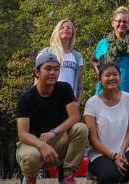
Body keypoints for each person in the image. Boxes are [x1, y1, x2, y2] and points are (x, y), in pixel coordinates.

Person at [16, 52, 88, 184]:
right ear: (37, 72)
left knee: (81, 128)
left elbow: (75, 117)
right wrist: (42, 145)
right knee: (32, 156)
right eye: (48, 69)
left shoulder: (64, 89)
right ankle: (30, 179)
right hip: (32, 145)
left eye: (56, 69)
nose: (52, 73)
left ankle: (68, 178)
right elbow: (23, 134)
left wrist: (53, 132)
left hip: (56, 143)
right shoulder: (25, 99)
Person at [36, 20, 86, 183]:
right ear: (57, 31)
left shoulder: (77, 56)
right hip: (47, 102)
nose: (66, 30)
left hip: (68, 104)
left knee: (66, 139)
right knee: (41, 135)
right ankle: (30, 174)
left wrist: (77, 102)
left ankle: (64, 177)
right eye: (63, 28)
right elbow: (37, 79)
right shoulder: (47, 52)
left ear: (73, 33)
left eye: (69, 28)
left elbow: (79, 83)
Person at [84, 63, 129, 184]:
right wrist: (114, 157)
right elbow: (93, 139)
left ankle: (122, 181)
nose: (112, 78)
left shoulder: (128, 98)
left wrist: (122, 151)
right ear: (99, 79)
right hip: (100, 155)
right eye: (107, 75)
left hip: (122, 152)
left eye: (115, 75)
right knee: (110, 175)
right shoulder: (92, 103)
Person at [90, 6, 129, 97]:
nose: (122, 24)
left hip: (127, 90)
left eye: (125, 21)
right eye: (119, 21)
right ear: (113, 23)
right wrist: (100, 73)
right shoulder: (104, 43)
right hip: (105, 90)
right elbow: (93, 60)